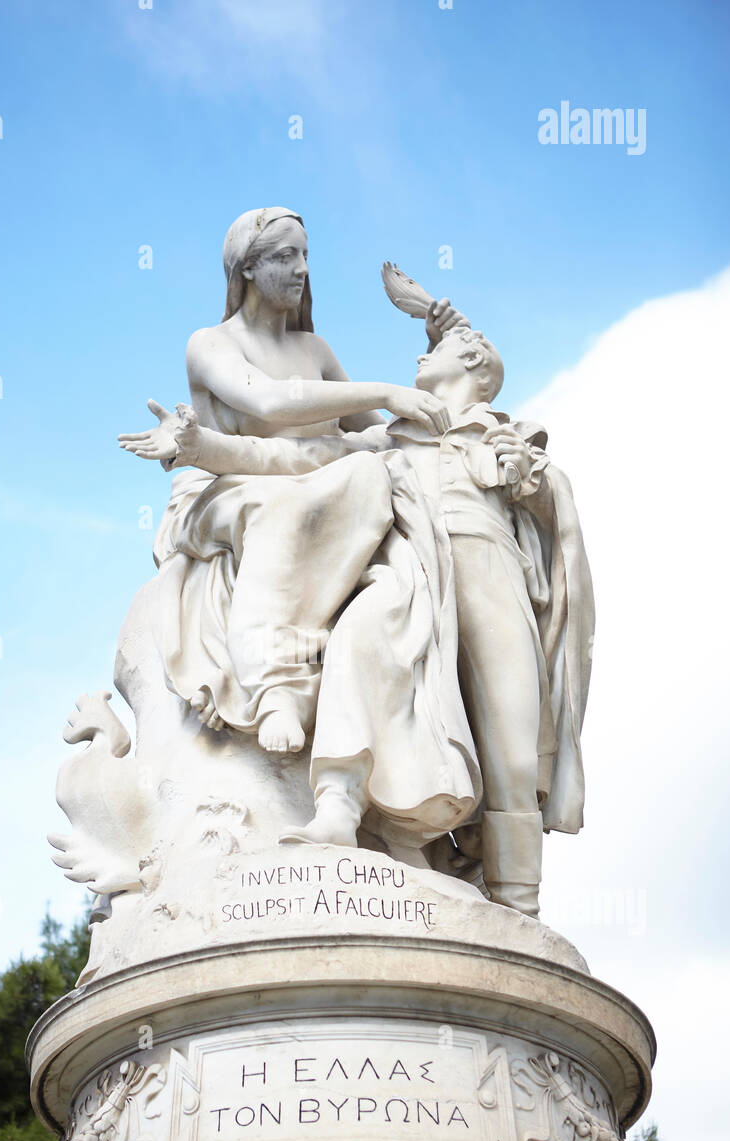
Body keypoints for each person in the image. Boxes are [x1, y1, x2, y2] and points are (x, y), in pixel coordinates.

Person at [138, 322, 594, 920]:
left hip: (493, 571)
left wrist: (535, 485)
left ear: (474, 356)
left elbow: (558, 529)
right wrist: (197, 448)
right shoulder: (386, 441)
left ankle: (517, 907)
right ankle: (337, 805)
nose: (418, 356)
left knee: (512, 744)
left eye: (435, 350)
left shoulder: (513, 438)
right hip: (417, 572)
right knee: (360, 635)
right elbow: (285, 455)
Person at [119, 207, 466, 753]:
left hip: (328, 485)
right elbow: (270, 399)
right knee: (280, 506)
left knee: (380, 485)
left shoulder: (315, 351)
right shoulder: (211, 343)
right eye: (286, 256)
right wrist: (384, 390)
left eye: (305, 255)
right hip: (235, 487)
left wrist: (439, 351)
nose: (302, 269)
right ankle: (275, 684)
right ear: (247, 269)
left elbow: (383, 437)